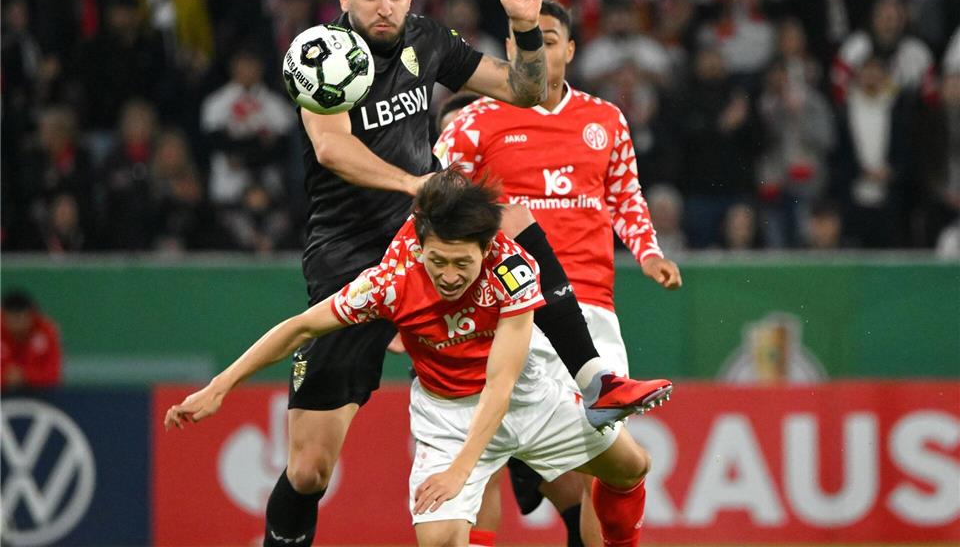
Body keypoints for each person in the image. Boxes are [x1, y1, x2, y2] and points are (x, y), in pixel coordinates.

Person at [242, 0, 665, 546]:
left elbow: (525, 90)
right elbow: (333, 149)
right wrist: (415, 182)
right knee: (310, 470)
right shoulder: (323, 54)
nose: (383, 7)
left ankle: (592, 376)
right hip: (351, 255)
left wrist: (522, 24)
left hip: (430, 233)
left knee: (513, 219)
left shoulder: (427, 40)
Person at [165, 170, 667, 547]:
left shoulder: (513, 268)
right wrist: (220, 386)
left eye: (461, 262)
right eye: (438, 260)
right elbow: (298, 328)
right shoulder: (389, 283)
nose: (448, 274)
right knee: (439, 540)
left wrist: (459, 473)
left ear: (488, 247)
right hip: (448, 416)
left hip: (523, 398)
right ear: (421, 245)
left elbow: (502, 381)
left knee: (630, 467)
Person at [436, 0, 682, 546]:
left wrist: (648, 254)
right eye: (527, 40)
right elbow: (435, 207)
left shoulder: (605, 120)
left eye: (549, 39)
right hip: (505, 308)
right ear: (509, 51)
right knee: (482, 459)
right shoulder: (475, 122)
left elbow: (626, 199)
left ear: (570, 50)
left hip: (590, 309)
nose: (539, 50)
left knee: (609, 463)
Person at [1, 290, 63, 390]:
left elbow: (53, 375)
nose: (17, 323)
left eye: (21, 317)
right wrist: (4, 377)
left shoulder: (47, 331)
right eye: (12, 318)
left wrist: (26, 376)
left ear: (31, 315)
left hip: (40, 397)